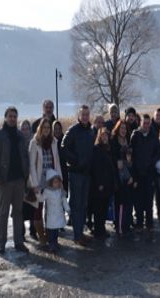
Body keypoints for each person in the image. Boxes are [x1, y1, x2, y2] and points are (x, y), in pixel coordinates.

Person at [0, 106, 30, 254]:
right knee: (4, 212)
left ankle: (18, 241)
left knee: (18, 212)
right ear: (5, 117)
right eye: (10, 116)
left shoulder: (20, 136)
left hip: (19, 180)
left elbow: (25, 156)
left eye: (15, 116)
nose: (12, 118)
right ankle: (1, 243)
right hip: (5, 181)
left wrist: (26, 175)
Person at [62, 105, 95, 246]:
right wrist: (75, 161)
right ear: (79, 115)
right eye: (83, 114)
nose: (85, 117)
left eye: (87, 114)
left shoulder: (90, 131)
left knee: (83, 205)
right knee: (76, 205)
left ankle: (80, 233)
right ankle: (76, 235)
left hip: (87, 173)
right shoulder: (73, 130)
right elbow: (63, 148)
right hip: (76, 174)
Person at [27, 118, 62, 247]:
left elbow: (57, 162)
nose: (46, 130)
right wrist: (35, 184)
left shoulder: (53, 142)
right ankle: (42, 236)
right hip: (39, 180)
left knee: (52, 209)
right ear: (40, 128)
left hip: (52, 179)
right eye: (44, 128)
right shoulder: (34, 142)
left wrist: (60, 180)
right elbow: (31, 164)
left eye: (48, 128)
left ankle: (52, 237)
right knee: (38, 210)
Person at [131, 114, 160, 231]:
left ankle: (149, 223)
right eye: (144, 123)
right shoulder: (135, 135)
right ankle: (139, 222)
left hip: (150, 172)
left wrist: (152, 162)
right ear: (141, 123)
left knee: (149, 200)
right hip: (138, 173)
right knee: (138, 200)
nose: (146, 125)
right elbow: (131, 153)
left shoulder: (154, 136)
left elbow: (158, 152)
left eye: (148, 123)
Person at [90, 127, 117, 239]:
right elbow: (96, 168)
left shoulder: (108, 149)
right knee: (98, 210)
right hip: (99, 185)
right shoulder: (96, 149)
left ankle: (101, 229)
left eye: (106, 135)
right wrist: (99, 183)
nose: (105, 137)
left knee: (104, 208)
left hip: (107, 184)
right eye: (103, 135)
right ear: (99, 136)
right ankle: (98, 231)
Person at [110, 120, 133, 237]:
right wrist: (118, 162)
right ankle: (119, 226)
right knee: (120, 203)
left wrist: (128, 161)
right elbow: (114, 161)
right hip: (117, 178)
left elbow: (129, 163)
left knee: (127, 202)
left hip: (127, 177)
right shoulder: (113, 142)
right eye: (121, 128)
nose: (123, 130)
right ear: (118, 129)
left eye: (125, 128)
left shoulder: (128, 142)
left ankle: (126, 225)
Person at [42, 169, 69, 253]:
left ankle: (55, 242)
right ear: (50, 182)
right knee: (51, 231)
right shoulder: (47, 192)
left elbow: (64, 200)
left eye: (58, 182)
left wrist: (67, 209)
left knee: (56, 230)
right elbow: (41, 199)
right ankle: (51, 244)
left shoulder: (60, 191)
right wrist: (37, 194)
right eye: (55, 182)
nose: (57, 184)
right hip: (51, 215)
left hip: (58, 214)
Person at [52, 121, 69, 192]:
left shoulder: (65, 141)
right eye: (55, 129)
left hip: (64, 174)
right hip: (53, 175)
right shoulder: (50, 142)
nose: (57, 131)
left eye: (59, 129)